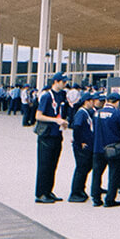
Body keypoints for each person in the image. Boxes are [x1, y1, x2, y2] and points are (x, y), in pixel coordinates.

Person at [34, 72, 70, 204]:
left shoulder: (62, 95)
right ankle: (41, 193)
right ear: (56, 81)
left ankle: (49, 190)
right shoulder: (46, 96)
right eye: (63, 82)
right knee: (44, 165)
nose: (65, 84)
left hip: (57, 134)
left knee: (53, 164)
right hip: (47, 135)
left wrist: (62, 122)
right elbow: (38, 116)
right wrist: (55, 120)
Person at [92, 93, 120, 208]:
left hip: (98, 147)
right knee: (113, 174)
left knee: (97, 174)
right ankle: (110, 199)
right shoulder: (118, 113)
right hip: (113, 148)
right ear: (117, 102)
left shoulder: (97, 113)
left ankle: (96, 198)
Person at [68, 91, 97, 202]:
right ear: (86, 102)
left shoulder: (87, 112)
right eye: (91, 101)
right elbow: (77, 127)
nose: (93, 103)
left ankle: (81, 189)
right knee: (81, 168)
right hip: (81, 146)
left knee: (85, 168)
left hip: (88, 144)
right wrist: (79, 142)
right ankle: (75, 192)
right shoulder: (81, 113)